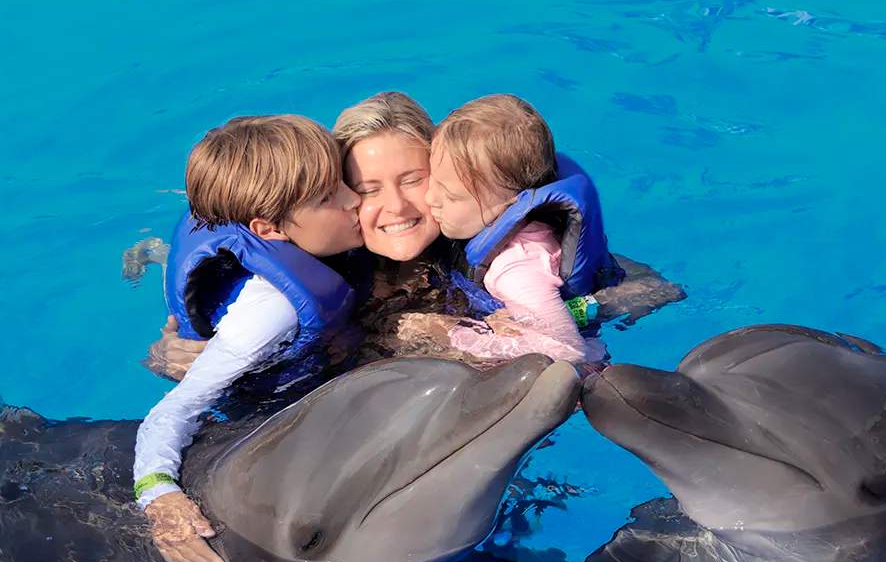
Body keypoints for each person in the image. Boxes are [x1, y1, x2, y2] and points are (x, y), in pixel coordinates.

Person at [143, 90, 685, 376]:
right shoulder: (325, 265)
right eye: (368, 187)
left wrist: (572, 311)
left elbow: (658, 291)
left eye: (414, 180)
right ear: (338, 193)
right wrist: (178, 357)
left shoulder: (497, 248)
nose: (396, 207)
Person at [134, 115, 364, 562]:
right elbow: (171, 413)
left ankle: (152, 251)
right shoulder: (270, 313)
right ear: (270, 228)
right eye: (330, 197)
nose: (355, 199)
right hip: (259, 389)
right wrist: (159, 496)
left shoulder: (299, 232)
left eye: (343, 181)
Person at [425, 94, 612, 366]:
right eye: (433, 181)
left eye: (451, 197)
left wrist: (456, 336)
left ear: (511, 203)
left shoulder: (515, 271)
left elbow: (568, 350)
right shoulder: (515, 226)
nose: (431, 199)